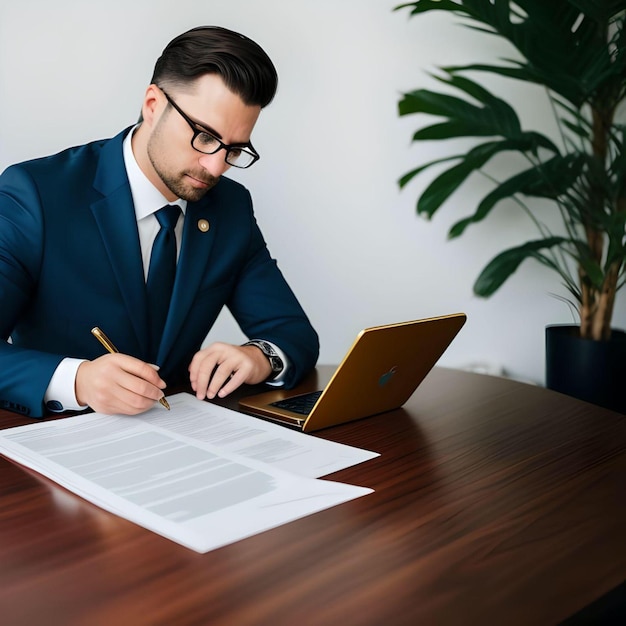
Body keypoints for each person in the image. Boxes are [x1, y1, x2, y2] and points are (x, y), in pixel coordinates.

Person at [0, 25, 319, 418]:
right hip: (54, 444)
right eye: (204, 136)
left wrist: (258, 356)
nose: (216, 166)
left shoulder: (230, 207)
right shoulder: (36, 193)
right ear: (153, 105)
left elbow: (293, 333)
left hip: (176, 439)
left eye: (235, 149)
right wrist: (77, 380)